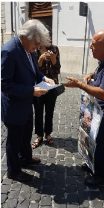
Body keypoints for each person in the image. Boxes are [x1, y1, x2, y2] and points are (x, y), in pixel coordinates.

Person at [65, 30, 104, 187]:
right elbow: (101, 74)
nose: (90, 48)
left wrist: (80, 84)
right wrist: (91, 74)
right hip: (97, 111)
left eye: (93, 45)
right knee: (91, 139)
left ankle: (102, 177)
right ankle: (91, 164)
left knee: (99, 143)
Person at [1, 19, 55, 182]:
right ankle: (13, 170)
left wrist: (44, 77)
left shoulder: (28, 49)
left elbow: (34, 71)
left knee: (26, 135)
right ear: (27, 37)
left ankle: (26, 158)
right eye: (37, 43)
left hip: (26, 104)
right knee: (14, 140)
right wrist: (31, 90)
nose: (38, 47)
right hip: (14, 106)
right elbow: (5, 85)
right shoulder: (9, 51)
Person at [32, 43, 61, 149]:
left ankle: (47, 133)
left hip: (52, 86)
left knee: (50, 112)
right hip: (38, 87)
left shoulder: (54, 49)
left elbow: (57, 69)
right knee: (38, 112)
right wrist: (40, 59)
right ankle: (39, 136)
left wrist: (53, 59)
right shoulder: (33, 50)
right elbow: (33, 71)